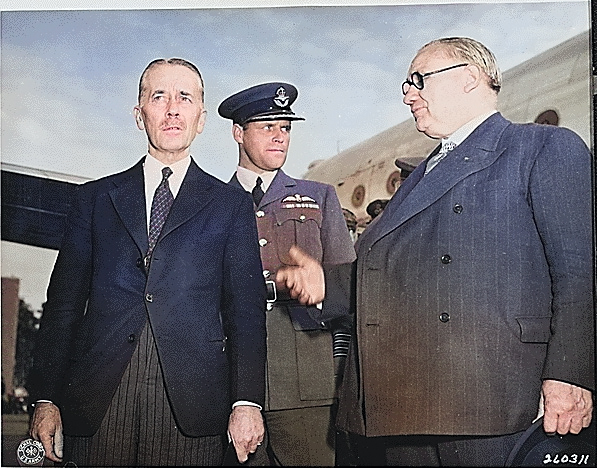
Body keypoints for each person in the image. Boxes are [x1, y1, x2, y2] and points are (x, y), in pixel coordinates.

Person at [334, 37, 594, 466]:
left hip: (495, 400)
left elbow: (578, 274)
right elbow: (390, 274)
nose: (407, 94)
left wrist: (569, 376)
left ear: (470, 78)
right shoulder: (419, 174)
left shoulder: (544, 148)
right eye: (405, 83)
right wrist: (320, 281)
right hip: (410, 402)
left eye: (418, 80)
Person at [27, 58, 267, 466]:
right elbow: (63, 306)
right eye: (159, 96)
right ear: (140, 116)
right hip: (97, 402)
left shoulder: (231, 207)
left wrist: (247, 401)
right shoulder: (93, 200)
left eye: (184, 98)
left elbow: (245, 312)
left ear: (201, 118)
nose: (172, 109)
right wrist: (46, 396)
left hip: (193, 407)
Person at [218, 82, 356, 466]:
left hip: (306, 373)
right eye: (267, 127)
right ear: (238, 132)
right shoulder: (211, 202)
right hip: (229, 374)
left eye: (286, 128)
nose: (280, 137)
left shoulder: (319, 196)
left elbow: (345, 287)